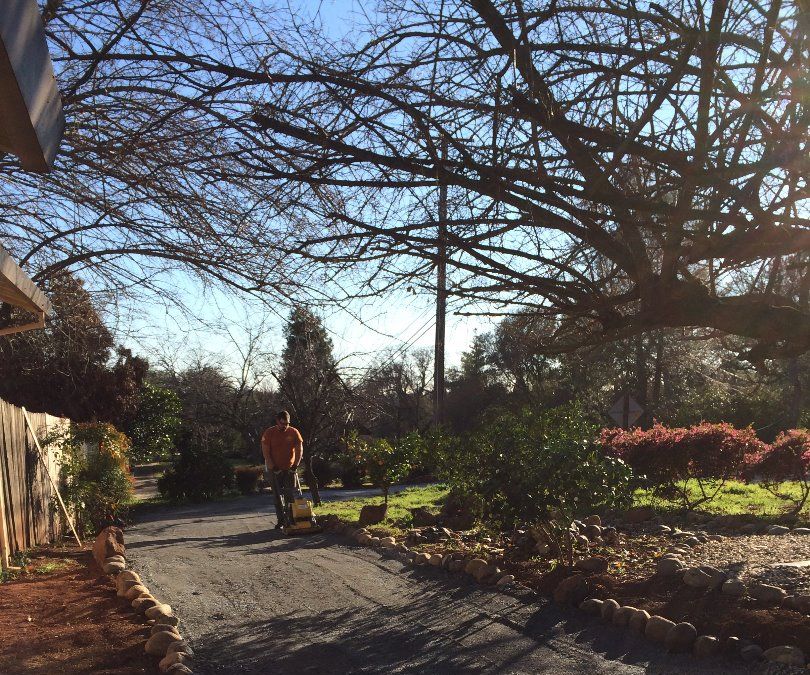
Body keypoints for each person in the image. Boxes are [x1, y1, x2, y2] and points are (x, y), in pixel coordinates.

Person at [261, 410, 304, 529]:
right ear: (277, 422)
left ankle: (291, 519)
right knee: (277, 495)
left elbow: (299, 449)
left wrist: (295, 465)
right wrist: (273, 467)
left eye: (287, 424)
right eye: (282, 423)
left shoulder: (294, 432)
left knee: (290, 494)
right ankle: (281, 520)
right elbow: (265, 452)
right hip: (274, 469)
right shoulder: (269, 433)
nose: (285, 426)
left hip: (289, 469)